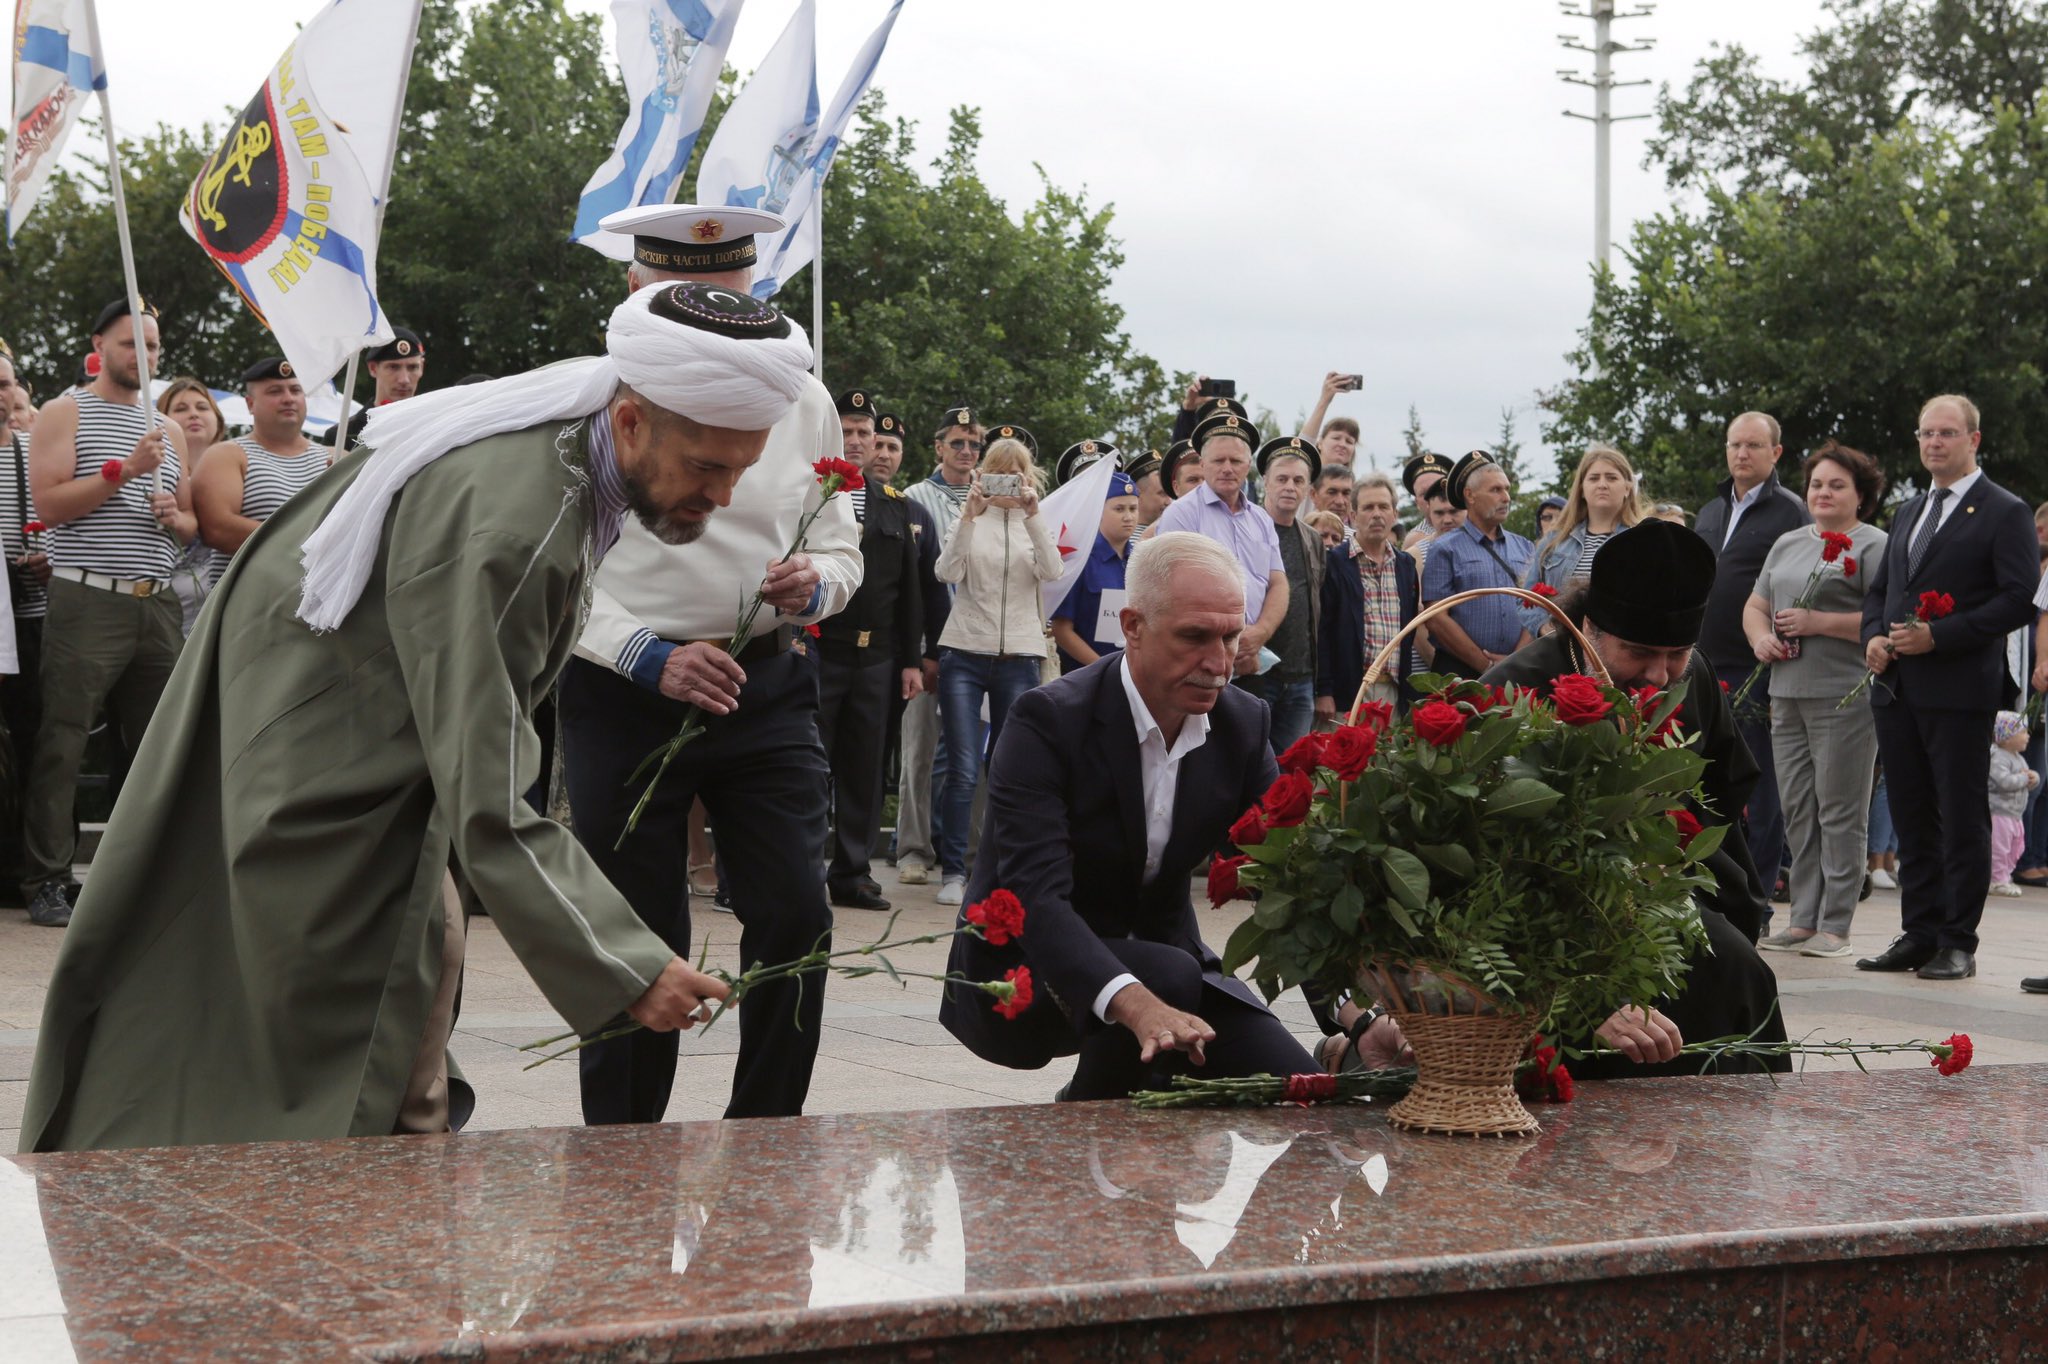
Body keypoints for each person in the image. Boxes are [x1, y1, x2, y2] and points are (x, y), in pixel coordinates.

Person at [19, 282, 809, 1152]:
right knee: (356, 1059)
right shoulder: (520, 522)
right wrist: (624, 961)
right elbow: (488, 792)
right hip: (325, 775)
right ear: (631, 424)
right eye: (707, 466)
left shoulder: (557, 450)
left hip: (334, 741)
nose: (724, 495)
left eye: (740, 468)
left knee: (357, 1038)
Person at [565, 205, 860, 1125]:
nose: (711, 326)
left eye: (728, 302)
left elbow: (846, 550)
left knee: (796, 919)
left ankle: (769, 1132)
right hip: (621, 691)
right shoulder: (586, 401)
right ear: (636, 293)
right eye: (683, 301)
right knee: (637, 934)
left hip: (764, 686)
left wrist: (817, 586)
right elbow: (545, 575)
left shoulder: (805, 399)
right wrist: (644, 653)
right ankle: (622, 1151)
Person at [937, 532, 1321, 1098]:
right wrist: (1139, 1005)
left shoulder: (1244, 724)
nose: (1218, 664)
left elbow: (1292, 884)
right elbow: (1035, 900)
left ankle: (1130, 1104)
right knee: (1162, 977)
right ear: (1133, 626)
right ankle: (1089, 1123)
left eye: (1231, 636)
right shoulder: (1046, 721)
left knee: (1298, 1088)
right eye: (1194, 637)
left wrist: (1355, 1018)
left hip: (1171, 966)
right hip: (1022, 970)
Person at [1485, 520, 1790, 1079]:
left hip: (1664, 886)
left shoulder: (1688, 674)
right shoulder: (1514, 689)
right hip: (1545, 902)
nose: (1658, 676)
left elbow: (1721, 794)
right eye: (1639, 653)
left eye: (1677, 653)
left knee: (1739, 969)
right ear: (1590, 630)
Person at [20, 298, 197, 929]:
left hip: (156, 601)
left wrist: (180, 518)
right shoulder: (65, 411)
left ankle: (148, 875)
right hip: (87, 596)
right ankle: (46, 878)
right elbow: (51, 503)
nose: (144, 357)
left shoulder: (169, 429)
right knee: (63, 743)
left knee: (160, 745)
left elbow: (191, 522)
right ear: (100, 344)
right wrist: (126, 470)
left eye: (152, 346)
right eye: (131, 344)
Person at [1857, 395, 2037, 983]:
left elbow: (2016, 598)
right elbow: (1881, 592)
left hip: (1959, 687)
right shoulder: (1910, 510)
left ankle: (1958, 939)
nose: (1934, 443)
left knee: (1961, 817)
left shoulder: (2002, 510)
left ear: (1973, 440)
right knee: (1911, 813)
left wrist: (1942, 637)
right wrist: (1874, 639)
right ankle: (1920, 931)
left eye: (1947, 433)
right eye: (1926, 433)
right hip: (1897, 688)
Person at [1741, 442, 1889, 958]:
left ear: (1861, 495)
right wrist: (1761, 637)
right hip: (1785, 692)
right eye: (1816, 484)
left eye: (1836, 485)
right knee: (1798, 808)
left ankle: (1837, 924)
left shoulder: (1874, 545)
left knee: (1840, 810)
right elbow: (1756, 606)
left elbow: (1886, 621)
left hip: (1843, 696)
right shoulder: (1787, 543)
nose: (1823, 493)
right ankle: (1802, 918)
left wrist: (1818, 622)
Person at [932, 434, 1063, 907]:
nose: (1008, 484)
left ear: (1028, 479)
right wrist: (969, 515)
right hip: (965, 650)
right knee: (964, 767)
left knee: (1009, 767)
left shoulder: (1035, 520)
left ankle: (1004, 866)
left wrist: (1032, 513)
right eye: (999, 474)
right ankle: (951, 869)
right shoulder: (969, 517)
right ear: (983, 476)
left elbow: (1052, 572)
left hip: (1021, 656)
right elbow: (946, 572)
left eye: (1017, 475)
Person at [1694, 411, 1810, 917]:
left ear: (1775, 453)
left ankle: (1758, 895)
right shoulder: (1709, 512)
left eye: (1753, 445)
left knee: (1760, 784)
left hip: (1756, 667)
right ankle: (1709, 886)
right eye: (1734, 445)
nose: (1742, 454)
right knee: (1703, 779)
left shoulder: (1791, 512)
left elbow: (1807, 580)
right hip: (1701, 662)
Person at [816, 390, 923, 912]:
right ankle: (798, 866)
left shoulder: (894, 505)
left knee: (863, 769)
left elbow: (908, 592)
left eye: (866, 433)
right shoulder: (811, 492)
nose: (858, 442)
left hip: (876, 658)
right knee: (808, 767)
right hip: (820, 652)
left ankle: (852, 873)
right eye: (849, 431)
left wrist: (909, 660)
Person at [1148, 411, 1290, 687]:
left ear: (1248, 464)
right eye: (1218, 460)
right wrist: (1229, 641)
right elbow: (1177, 589)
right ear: (1202, 464)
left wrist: (1260, 633)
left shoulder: (1261, 519)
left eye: (1235, 461)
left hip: (1254, 664)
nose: (1227, 468)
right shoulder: (1181, 514)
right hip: (1201, 662)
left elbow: (1278, 583)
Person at [191, 358, 325, 588]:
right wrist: (311, 544)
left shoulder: (335, 457)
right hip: (250, 604)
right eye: (275, 391)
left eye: (295, 390)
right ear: (250, 404)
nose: (288, 398)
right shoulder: (227, 455)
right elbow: (218, 529)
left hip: (320, 602)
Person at [1317, 469, 1418, 723]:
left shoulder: (1405, 566)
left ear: (1394, 514)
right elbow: (1321, 631)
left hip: (1394, 692)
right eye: (1368, 507)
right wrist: (1324, 690)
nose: (1376, 514)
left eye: (1384, 506)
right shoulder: (1334, 563)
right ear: (1352, 515)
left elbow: (1409, 630)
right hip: (1347, 693)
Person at [1419, 450, 1532, 677]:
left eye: (1506, 489)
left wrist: (1514, 663)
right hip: (1460, 674)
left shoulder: (1525, 547)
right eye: (1495, 490)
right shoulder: (1444, 549)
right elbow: (1436, 618)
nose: (1506, 498)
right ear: (1470, 495)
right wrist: (1486, 666)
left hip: (1516, 674)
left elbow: (1537, 608)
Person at [1245, 436, 1324, 755]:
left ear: (1307, 488)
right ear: (1265, 481)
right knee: (1250, 765)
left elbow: (1317, 610)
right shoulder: (1246, 529)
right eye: (1282, 479)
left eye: (1298, 480)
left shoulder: (1313, 540)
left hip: (1301, 678)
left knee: (1291, 775)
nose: (1290, 487)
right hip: (1257, 674)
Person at [0, 354, 43, 914]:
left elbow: (64, 521)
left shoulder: (31, 451)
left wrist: (47, 558)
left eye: (5, 382)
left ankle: (24, 869)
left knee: (35, 744)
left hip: (29, 617)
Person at [1522, 444, 1643, 637]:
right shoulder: (1553, 541)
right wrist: (1544, 627)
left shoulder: (1643, 540)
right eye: (1594, 478)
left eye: (1611, 477)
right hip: (1561, 648)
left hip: (1621, 650)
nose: (1602, 484)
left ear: (1628, 487)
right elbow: (1524, 599)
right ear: (1582, 489)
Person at [1049, 468, 1140, 673]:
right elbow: (1061, 630)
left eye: (1133, 509)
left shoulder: (1140, 561)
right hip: (1083, 676)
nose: (1128, 517)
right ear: (1098, 510)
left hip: (1132, 673)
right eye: (1119, 509)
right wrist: (1104, 669)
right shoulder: (1080, 560)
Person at [344, 327, 425, 445]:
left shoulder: (430, 426)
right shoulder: (343, 435)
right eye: (393, 367)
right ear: (373, 368)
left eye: (412, 367)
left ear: (422, 367)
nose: (404, 379)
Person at [1988, 711, 2036, 896]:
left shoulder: (2018, 757)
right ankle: (1996, 879)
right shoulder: (1998, 757)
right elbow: (2004, 781)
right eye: (2023, 732)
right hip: (1999, 812)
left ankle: (2004, 876)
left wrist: (2033, 778)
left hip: (2014, 814)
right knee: (2000, 848)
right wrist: (2024, 778)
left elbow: (2024, 777)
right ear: (2006, 737)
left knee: (2016, 848)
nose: (2027, 736)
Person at [1399, 450, 1452, 551]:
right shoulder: (1415, 542)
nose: (1431, 497)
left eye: (1438, 490)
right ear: (1417, 503)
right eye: (1424, 494)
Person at [1124, 448, 1171, 532]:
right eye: (1162, 494)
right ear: (1137, 495)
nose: (1169, 501)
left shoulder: (1173, 532)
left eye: (1169, 493)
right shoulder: (1122, 540)